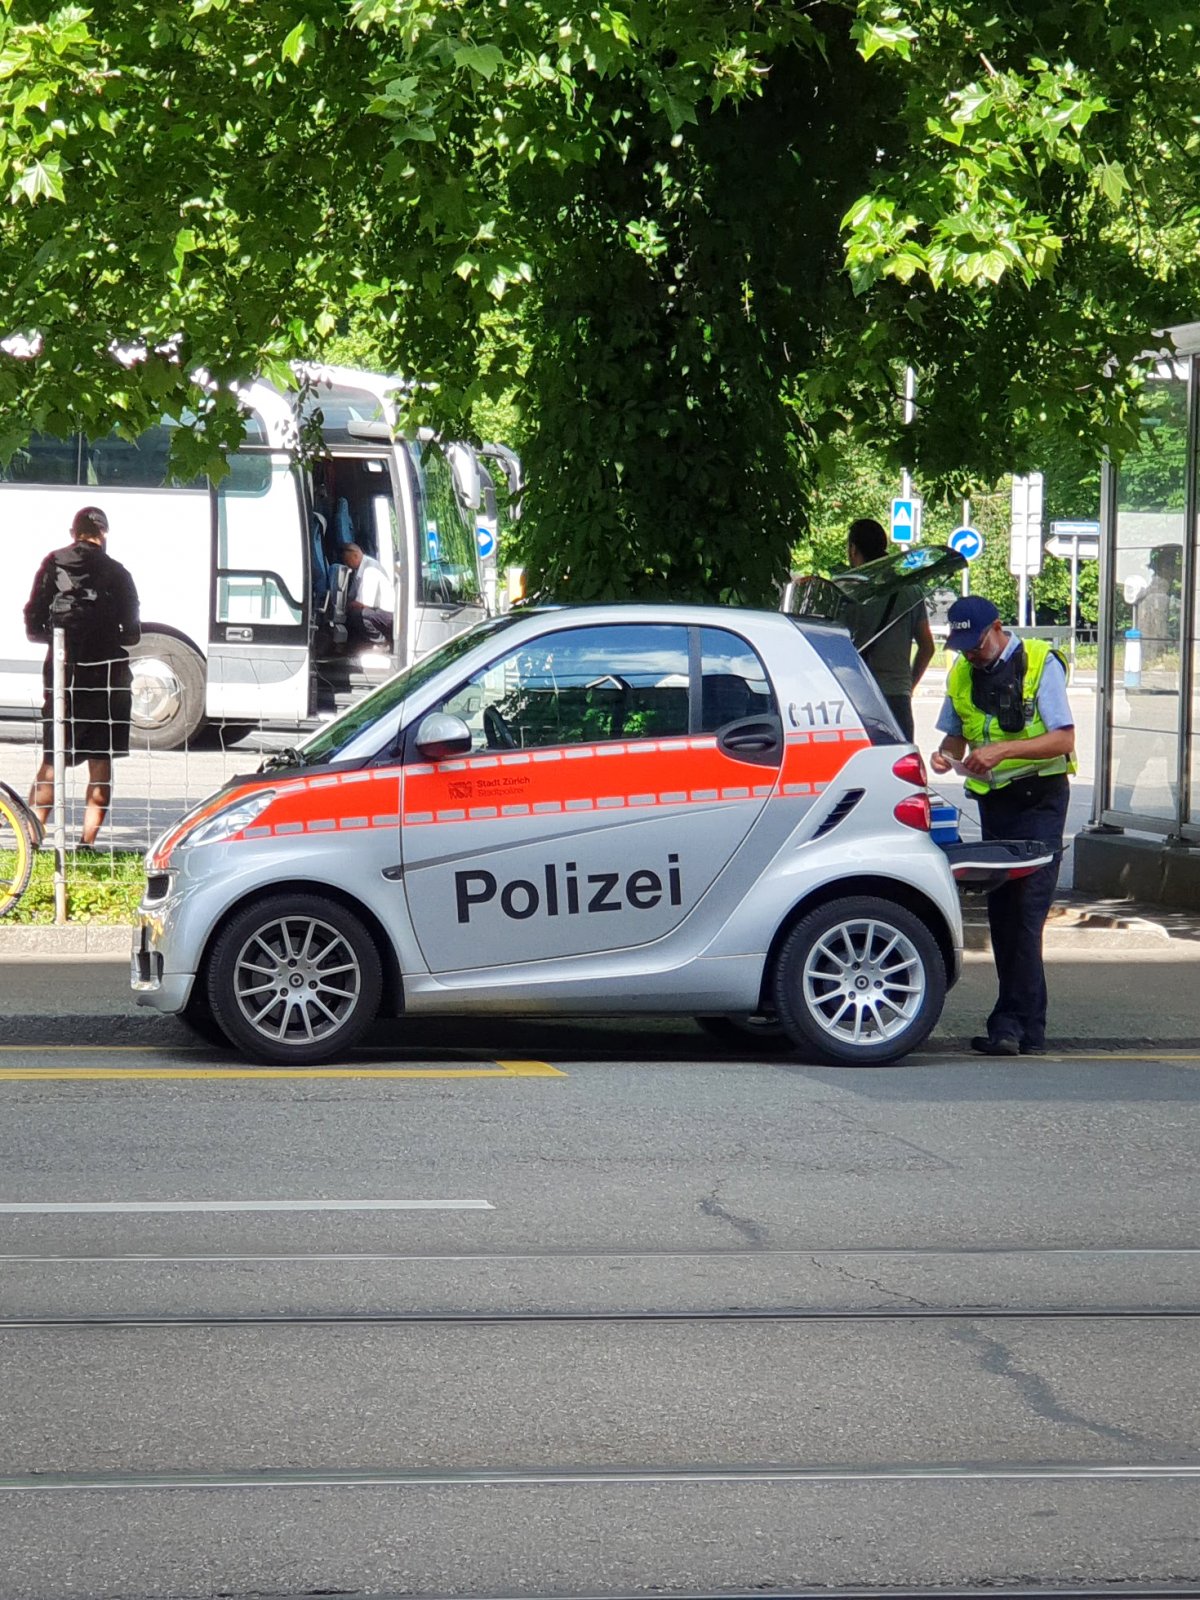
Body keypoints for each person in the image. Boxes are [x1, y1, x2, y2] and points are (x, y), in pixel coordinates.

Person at [930, 596, 1076, 1057]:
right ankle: (1028, 1028)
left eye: (976, 643)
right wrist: (946, 754)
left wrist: (1002, 752)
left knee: (1025, 917)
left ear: (996, 627)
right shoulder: (960, 673)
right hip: (996, 806)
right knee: (1005, 918)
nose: (970, 653)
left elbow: (1064, 737)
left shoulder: (1038, 663)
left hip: (1040, 802)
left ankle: (1010, 1025)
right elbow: (955, 733)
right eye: (963, 646)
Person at [23, 505, 141, 849]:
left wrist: (60, 636)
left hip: (63, 674)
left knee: (52, 756)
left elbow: (32, 621)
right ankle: (86, 845)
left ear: (73, 532)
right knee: (100, 762)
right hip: (107, 678)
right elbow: (131, 633)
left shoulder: (53, 563)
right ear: (103, 534)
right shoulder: (118, 573)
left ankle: (32, 841)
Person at [845, 518, 935, 740]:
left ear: (853, 549)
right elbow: (928, 647)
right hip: (896, 696)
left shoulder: (845, 591)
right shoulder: (910, 590)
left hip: (854, 696)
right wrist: (908, 685)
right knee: (898, 766)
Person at [343, 542, 394, 651]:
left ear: (355, 555)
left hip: (387, 614)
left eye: (348, 561)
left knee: (359, 615)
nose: (347, 565)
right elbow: (352, 595)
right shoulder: (359, 570)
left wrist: (347, 606)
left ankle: (382, 643)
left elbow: (364, 603)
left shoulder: (370, 568)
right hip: (377, 611)